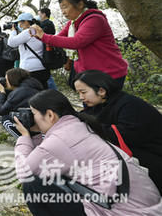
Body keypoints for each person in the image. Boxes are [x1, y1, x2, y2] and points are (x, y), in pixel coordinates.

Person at [13, 89, 162, 216]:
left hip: (125, 211)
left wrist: (25, 137)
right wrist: (36, 134)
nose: (32, 118)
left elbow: (24, 172)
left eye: (33, 113)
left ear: (50, 115)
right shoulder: (79, 125)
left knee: (33, 184)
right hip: (146, 205)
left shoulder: (59, 140)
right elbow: (45, 154)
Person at [74, 70, 162, 193]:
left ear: (101, 90)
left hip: (152, 158)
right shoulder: (99, 105)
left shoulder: (130, 105)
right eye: (78, 93)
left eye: (83, 92)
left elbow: (124, 135)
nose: (81, 97)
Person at [31, 0, 128, 89]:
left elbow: (77, 42)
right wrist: (38, 36)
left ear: (80, 4)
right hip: (87, 74)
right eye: (61, 9)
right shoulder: (72, 23)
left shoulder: (95, 19)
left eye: (65, 7)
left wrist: (44, 36)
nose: (63, 12)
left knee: (106, 104)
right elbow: (59, 38)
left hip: (108, 73)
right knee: (90, 102)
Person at [0, 68, 43, 137]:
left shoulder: (18, 92)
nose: (5, 82)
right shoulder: (35, 86)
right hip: (42, 124)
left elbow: (1, 110)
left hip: (32, 126)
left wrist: (2, 93)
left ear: (12, 79)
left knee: (5, 120)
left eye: (6, 79)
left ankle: (25, 141)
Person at [8, 12, 49, 89]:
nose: (19, 25)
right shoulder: (38, 30)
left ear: (26, 22)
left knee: (33, 95)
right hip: (42, 67)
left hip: (30, 69)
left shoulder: (28, 32)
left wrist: (13, 31)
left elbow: (11, 42)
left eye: (19, 22)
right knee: (43, 93)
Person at [37, 8, 58, 90]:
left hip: (47, 50)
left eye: (39, 14)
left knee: (46, 74)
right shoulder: (47, 23)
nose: (39, 16)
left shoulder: (47, 24)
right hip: (47, 50)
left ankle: (54, 92)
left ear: (44, 14)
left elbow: (42, 35)